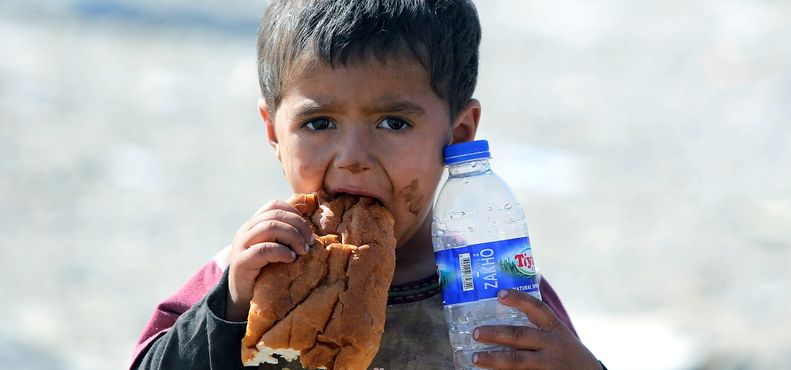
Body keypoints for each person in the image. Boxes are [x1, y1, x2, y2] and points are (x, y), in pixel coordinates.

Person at [131, 0, 605, 369]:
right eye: (319, 123)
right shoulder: (252, 270)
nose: (353, 157)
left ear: (457, 134)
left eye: (393, 123)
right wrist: (229, 307)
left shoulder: (487, 276)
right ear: (275, 132)